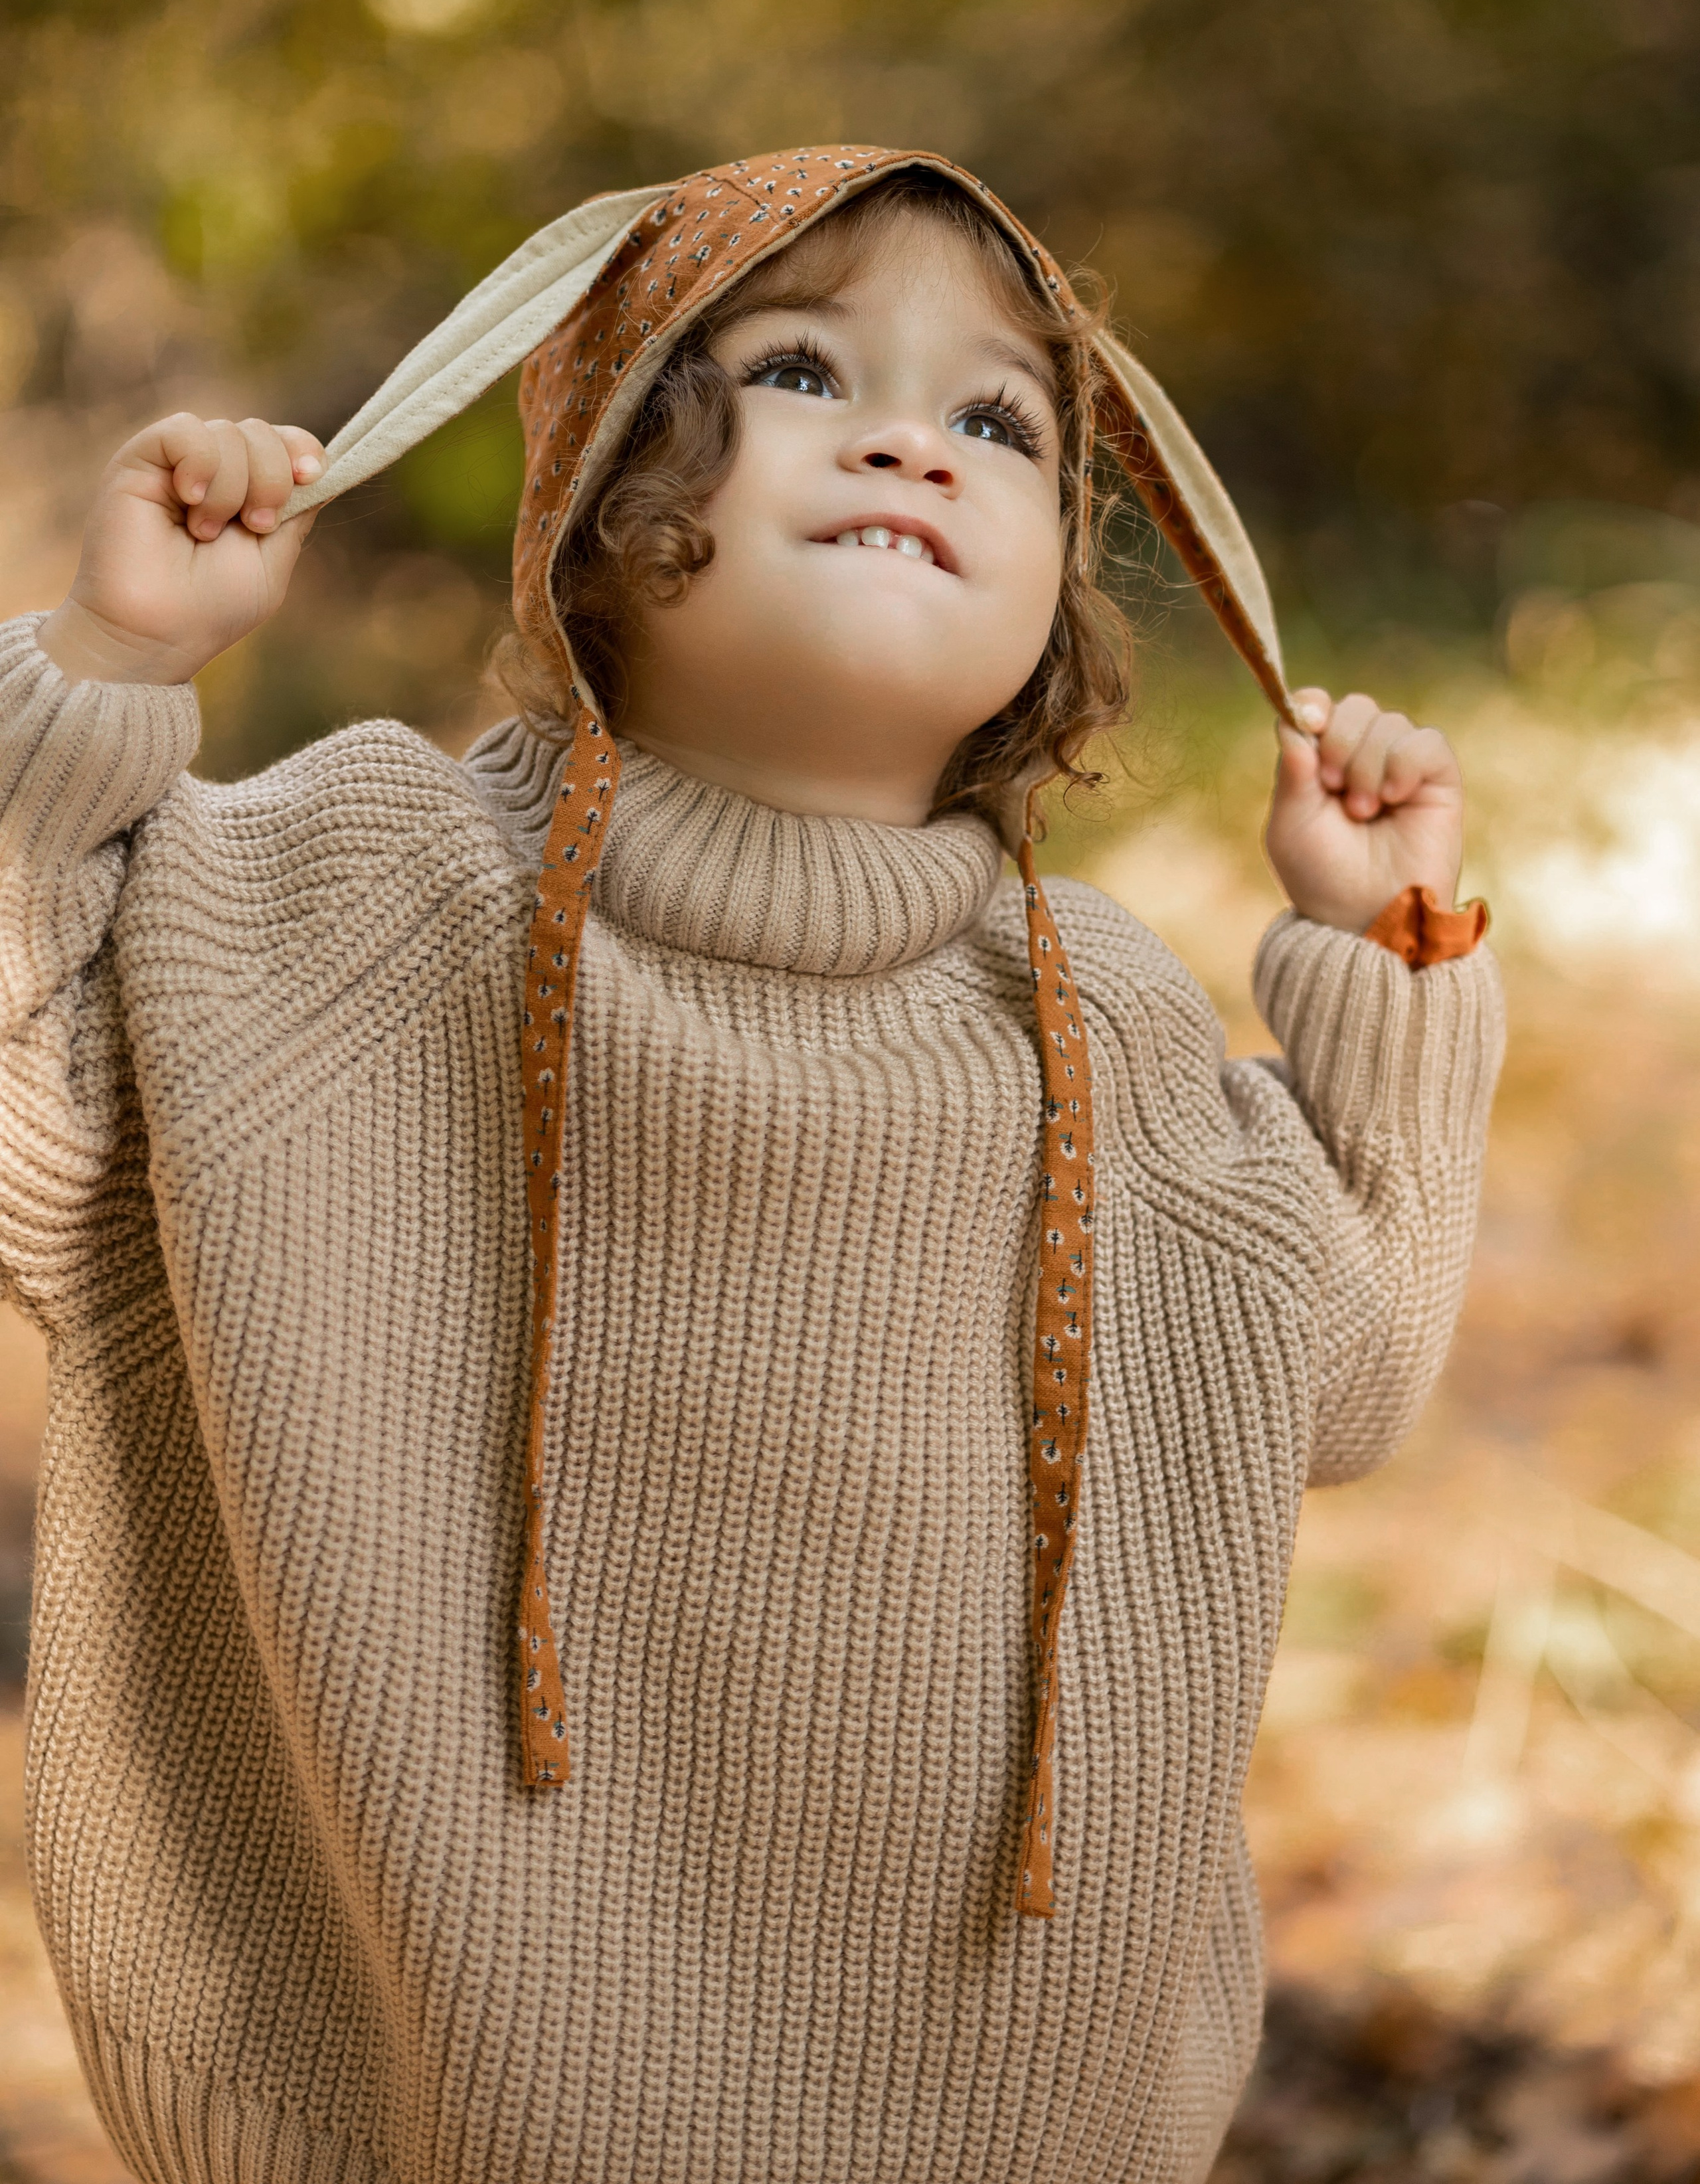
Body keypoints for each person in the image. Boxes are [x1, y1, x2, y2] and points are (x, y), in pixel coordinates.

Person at [2, 147, 1501, 2184]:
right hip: (420, 2118)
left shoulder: (1099, 1028)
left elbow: (1344, 1365)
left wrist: (1386, 949)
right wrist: (103, 663)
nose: (912, 436)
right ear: (603, 505)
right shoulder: (346, 903)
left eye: (998, 420)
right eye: (801, 372)